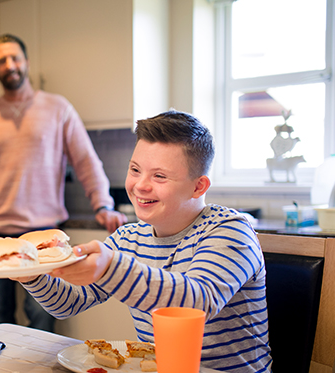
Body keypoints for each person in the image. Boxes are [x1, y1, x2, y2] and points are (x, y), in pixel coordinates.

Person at [16, 110, 273, 372]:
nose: (140, 186)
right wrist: (29, 274)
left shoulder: (230, 230)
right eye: (135, 169)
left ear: (198, 187)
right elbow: (69, 303)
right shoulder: (129, 238)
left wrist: (110, 268)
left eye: (159, 176)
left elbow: (198, 302)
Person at [0, 34, 127, 332]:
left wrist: (103, 205)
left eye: (15, 58)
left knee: (43, 319)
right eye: (1, 61)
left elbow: (86, 161)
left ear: (27, 62)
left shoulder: (58, 109)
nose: (10, 65)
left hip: (43, 235)